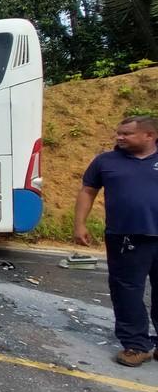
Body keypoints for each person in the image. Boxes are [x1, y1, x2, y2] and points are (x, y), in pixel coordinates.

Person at [75, 116, 158, 367]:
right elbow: (88, 190)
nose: (119, 137)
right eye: (118, 133)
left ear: (149, 136)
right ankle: (136, 345)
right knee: (127, 292)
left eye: (126, 134)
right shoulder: (106, 161)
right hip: (125, 237)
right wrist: (79, 224)